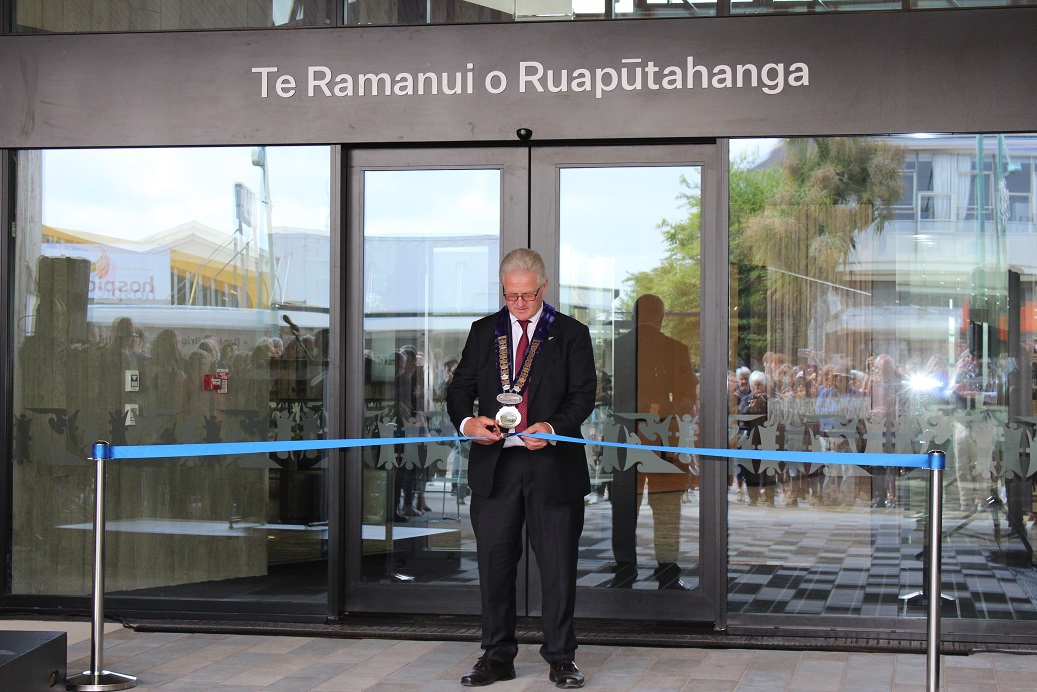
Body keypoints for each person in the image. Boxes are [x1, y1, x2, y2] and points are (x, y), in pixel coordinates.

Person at [447, 248, 596, 689]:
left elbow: (584, 395)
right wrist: (468, 422)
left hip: (552, 465)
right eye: (511, 297)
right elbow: (459, 390)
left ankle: (562, 657)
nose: (519, 305)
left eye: (527, 296)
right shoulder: (482, 332)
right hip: (496, 467)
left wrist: (552, 426)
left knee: (558, 567)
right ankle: (496, 656)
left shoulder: (570, 333)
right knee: (494, 565)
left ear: (543, 288)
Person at [610, 294, 697, 589]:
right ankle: (667, 572)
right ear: (662, 317)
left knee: (624, 509)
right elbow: (688, 398)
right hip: (663, 439)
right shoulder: (676, 349)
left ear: (635, 316)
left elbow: (610, 395)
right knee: (666, 509)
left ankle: (624, 571)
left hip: (624, 438)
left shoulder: (618, 347)